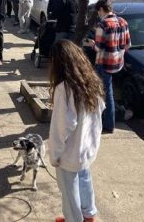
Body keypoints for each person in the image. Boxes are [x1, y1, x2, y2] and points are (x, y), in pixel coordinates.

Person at [48, 40, 105, 222]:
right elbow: (100, 110)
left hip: (69, 153)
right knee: (84, 180)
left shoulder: (64, 89)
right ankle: (89, 214)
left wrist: (54, 154)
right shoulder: (91, 81)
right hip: (87, 148)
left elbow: (62, 126)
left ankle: (74, 218)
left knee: (69, 191)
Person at [86, 0, 131, 134]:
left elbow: (98, 47)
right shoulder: (123, 21)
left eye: (98, 12)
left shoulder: (103, 24)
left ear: (101, 10)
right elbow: (128, 45)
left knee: (107, 93)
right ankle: (105, 120)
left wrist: (91, 44)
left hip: (104, 63)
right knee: (107, 90)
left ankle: (108, 124)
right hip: (118, 62)